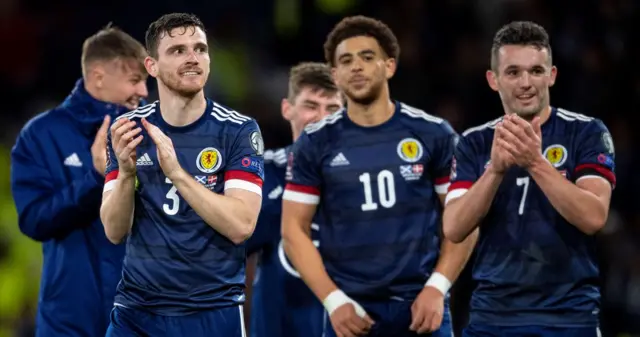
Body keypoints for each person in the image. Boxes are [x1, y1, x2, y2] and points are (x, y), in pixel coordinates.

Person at [281, 16, 478, 337]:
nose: (356, 66)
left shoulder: (434, 134)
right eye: (346, 60)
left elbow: (464, 219)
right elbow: (293, 230)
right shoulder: (314, 143)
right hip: (351, 312)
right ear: (335, 75)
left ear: (389, 66)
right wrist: (333, 301)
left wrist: (438, 287)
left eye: (367, 57)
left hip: (421, 306)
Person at [443, 21, 615, 337]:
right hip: (492, 319)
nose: (526, 82)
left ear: (552, 75)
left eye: (536, 71)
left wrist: (535, 162)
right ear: (493, 80)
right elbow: (454, 227)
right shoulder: (474, 143)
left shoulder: (586, 132)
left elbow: (593, 217)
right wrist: (494, 171)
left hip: (569, 318)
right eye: (513, 72)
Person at [100, 13, 264, 337]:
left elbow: (241, 225)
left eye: (200, 49)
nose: (193, 58)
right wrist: (126, 173)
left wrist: (176, 172)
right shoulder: (128, 130)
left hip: (212, 312)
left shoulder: (238, 131)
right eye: (178, 51)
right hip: (137, 313)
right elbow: (114, 230)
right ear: (152, 66)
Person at [10, 26, 148, 337]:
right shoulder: (42, 135)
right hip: (68, 322)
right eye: (134, 79)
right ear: (99, 78)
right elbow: (34, 220)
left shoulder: (150, 135)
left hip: (139, 319)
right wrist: (95, 177)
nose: (143, 92)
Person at [246, 62, 343, 337]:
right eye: (311, 106)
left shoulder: (365, 178)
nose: (322, 118)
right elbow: (223, 250)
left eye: (333, 109)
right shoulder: (262, 174)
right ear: (287, 109)